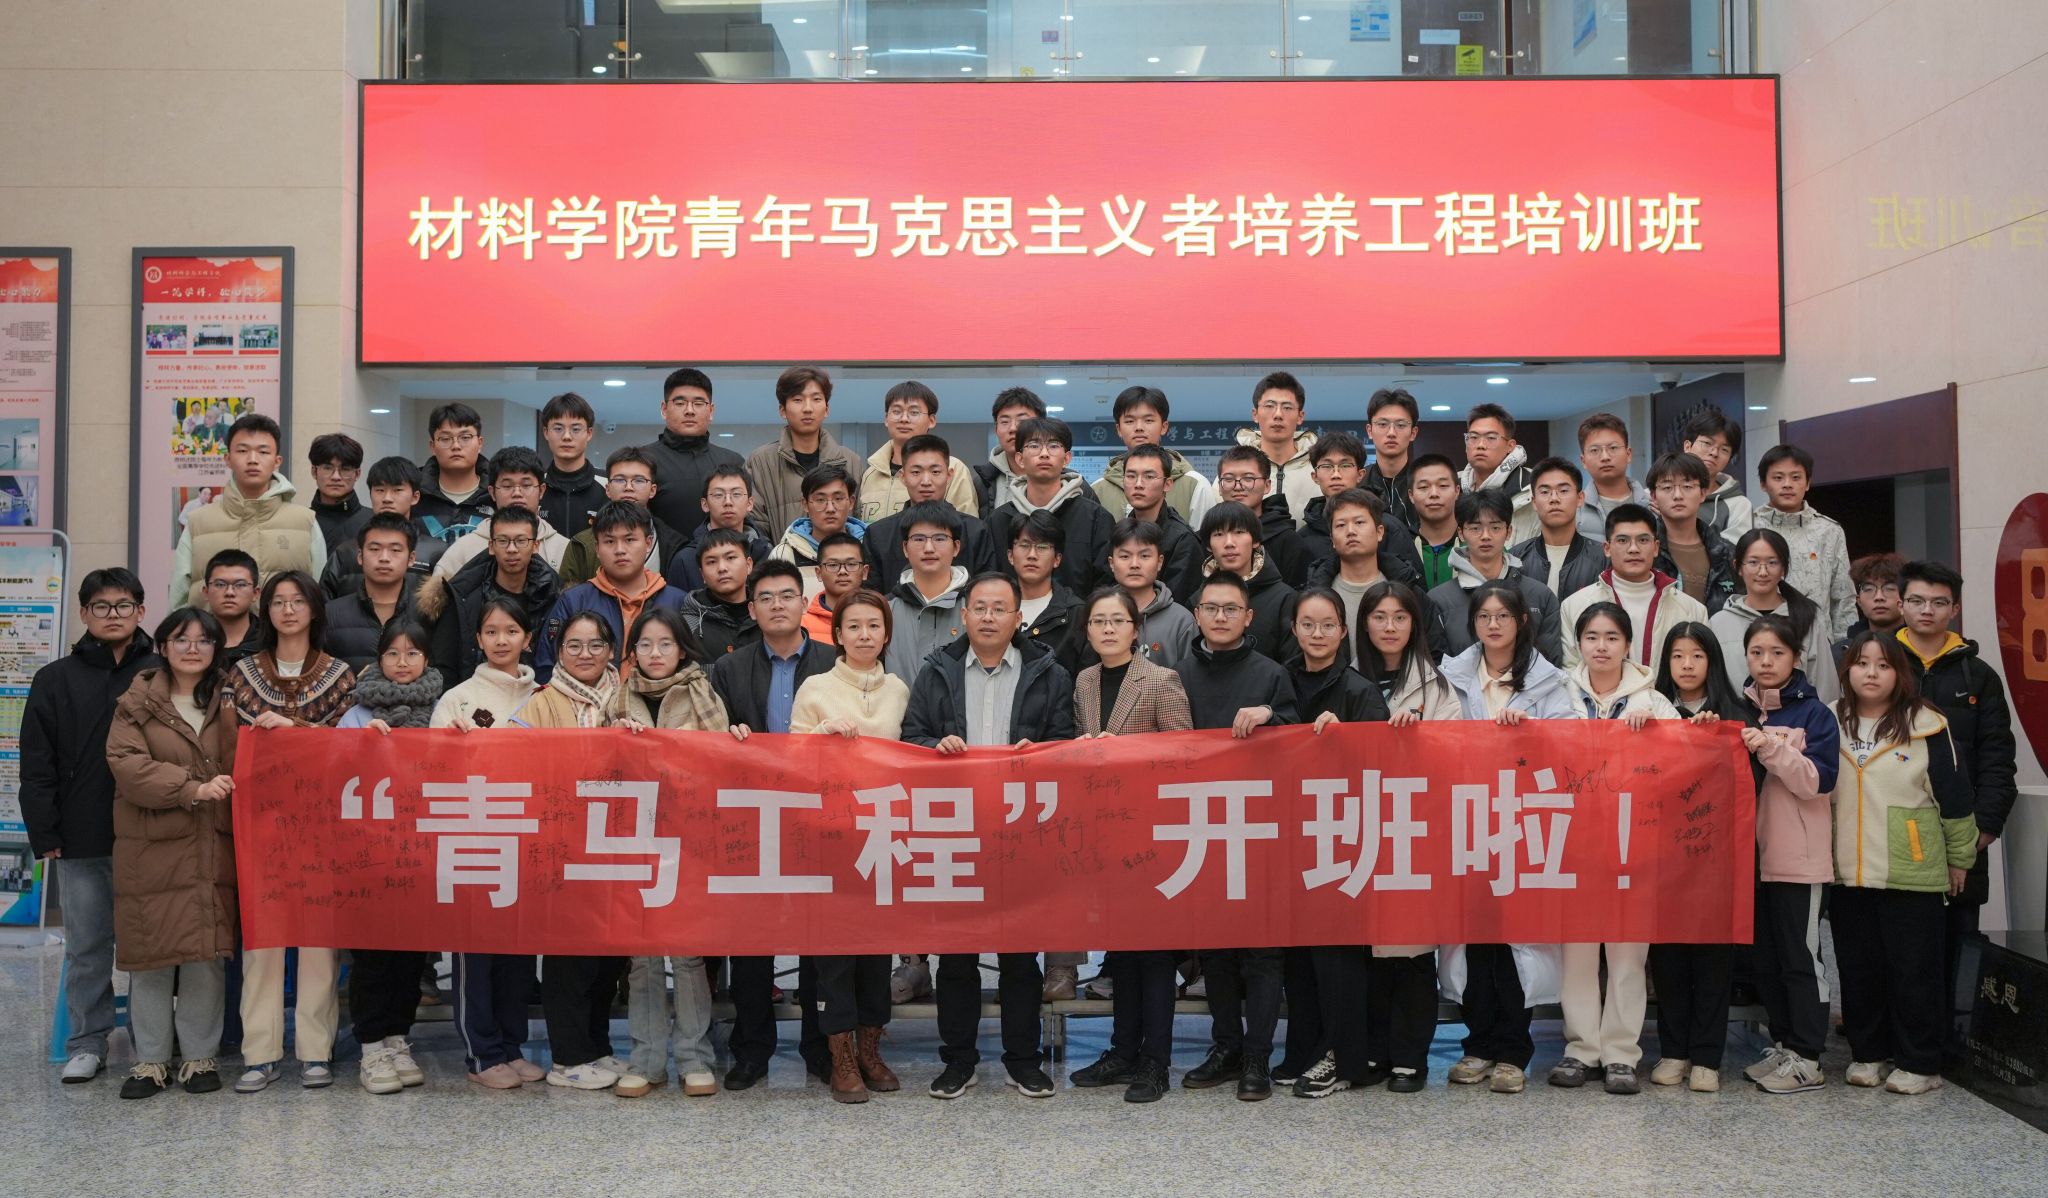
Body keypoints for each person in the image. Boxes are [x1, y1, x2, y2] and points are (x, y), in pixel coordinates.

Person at [901, 572, 1075, 1101]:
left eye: (1000, 608)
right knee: (956, 956)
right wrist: (936, 746)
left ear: (1018, 618)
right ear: (964, 616)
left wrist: (1039, 754)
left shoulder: (1049, 673)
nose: (989, 617)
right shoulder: (937, 671)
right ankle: (959, 1061)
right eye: (979, 607)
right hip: (956, 828)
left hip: (1021, 830)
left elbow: (1066, 742)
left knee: (1020, 956)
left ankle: (1023, 1061)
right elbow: (911, 738)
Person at [1439, 581, 1578, 1095]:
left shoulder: (1549, 681)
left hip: (1525, 825)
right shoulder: (1451, 676)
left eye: (1503, 615)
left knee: (1517, 940)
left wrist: (1532, 732)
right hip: (1467, 821)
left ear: (1522, 621)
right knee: (1475, 939)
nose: (1493, 624)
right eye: (1484, 616)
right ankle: (1477, 1044)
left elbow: (1572, 747)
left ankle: (1515, 1050)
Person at [22, 567, 160, 1084]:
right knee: (87, 947)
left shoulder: (161, 671)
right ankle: (88, 1041)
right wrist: (45, 832)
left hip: (152, 833)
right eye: (101, 606)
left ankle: (152, 1041)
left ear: (140, 611)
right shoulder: (54, 678)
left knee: (151, 945)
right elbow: (37, 762)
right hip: (81, 834)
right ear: (84, 613)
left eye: (123, 605)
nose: (113, 615)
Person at [1831, 630, 1978, 1096]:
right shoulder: (1830, 720)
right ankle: (1868, 1054)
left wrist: (1960, 859)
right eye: (1862, 663)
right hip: (1848, 870)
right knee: (1859, 969)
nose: (1871, 673)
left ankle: (1920, 1062)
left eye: (1883, 665)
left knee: (1914, 971)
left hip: (1911, 869)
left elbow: (1955, 800)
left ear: (1900, 673)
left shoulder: (1926, 724)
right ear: (1848, 671)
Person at [226, 571, 356, 1093]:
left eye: (297, 600)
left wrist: (296, 731)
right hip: (261, 823)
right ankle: (259, 1053)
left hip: (323, 824)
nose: (287, 610)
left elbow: (350, 748)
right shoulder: (241, 674)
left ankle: (315, 1050)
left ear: (314, 609)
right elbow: (230, 743)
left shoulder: (341, 675)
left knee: (319, 941)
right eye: (278, 601)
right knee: (262, 941)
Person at [709, 560, 837, 1088]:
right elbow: (709, 741)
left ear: (803, 602)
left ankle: (820, 1046)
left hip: (819, 817)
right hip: (751, 816)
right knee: (752, 938)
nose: (777, 605)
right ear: (752, 608)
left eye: (787, 595)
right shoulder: (728, 668)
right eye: (766, 597)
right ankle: (752, 1048)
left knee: (817, 936)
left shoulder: (833, 661)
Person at [1173, 571, 1300, 1100]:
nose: (1220, 617)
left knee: (1263, 952)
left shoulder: (1272, 674)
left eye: (1231, 609)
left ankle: (1257, 1057)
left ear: (1249, 617)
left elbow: (1300, 739)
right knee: (1217, 950)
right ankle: (1225, 1047)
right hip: (1200, 828)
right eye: (1211, 608)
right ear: (1196, 615)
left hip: (1262, 829)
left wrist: (1271, 714)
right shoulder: (1176, 675)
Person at [1066, 587, 1193, 1104]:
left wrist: (1125, 752)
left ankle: (1155, 1062)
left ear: (1136, 629)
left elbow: (1185, 752)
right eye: (1099, 621)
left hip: (1154, 831)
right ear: (1088, 630)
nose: (1108, 629)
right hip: (1105, 832)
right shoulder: (1084, 681)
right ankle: (1122, 1051)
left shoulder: (1161, 679)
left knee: (1155, 954)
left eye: (1118, 620)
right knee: (1121, 951)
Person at [103, 606, 236, 1099]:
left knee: (205, 954)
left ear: (216, 649)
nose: (192, 649)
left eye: (204, 640)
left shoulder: (230, 700)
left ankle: (200, 1057)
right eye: (181, 639)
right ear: (162, 646)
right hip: (151, 849)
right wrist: (191, 788)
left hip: (211, 843)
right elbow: (126, 764)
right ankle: (150, 1062)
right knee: (151, 955)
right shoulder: (136, 701)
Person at [787, 590, 912, 1103]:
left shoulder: (900, 690)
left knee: (877, 955)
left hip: (883, 835)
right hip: (829, 839)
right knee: (834, 956)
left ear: (886, 634)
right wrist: (820, 735)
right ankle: (839, 1055)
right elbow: (790, 760)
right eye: (854, 626)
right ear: (837, 634)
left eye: (874, 626)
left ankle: (870, 1050)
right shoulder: (815, 687)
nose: (864, 635)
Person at [1549, 602, 1678, 1096]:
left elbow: (1682, 766)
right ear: (1578, 643)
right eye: (1592, 637)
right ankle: (1581, 1049)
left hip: (1634, 843)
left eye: (1611, 638)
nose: (1601, 647)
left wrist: (1659, 736)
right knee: (1578, 952)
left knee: (1627, 954)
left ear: (1628, 645)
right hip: (1574, 841)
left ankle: (1622, 1053)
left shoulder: (1654, 701)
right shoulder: (1557, 692)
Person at [1895, 559, 2017, 1054]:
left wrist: (1983, 828)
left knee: (1957, 943)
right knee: (1900, 946)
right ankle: (1902, 1045)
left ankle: (1953, 1049)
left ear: (1955, 608)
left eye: (1939, 602)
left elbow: (1997, 757)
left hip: (1961, 832)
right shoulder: (1880, 664)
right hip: (1895, 831)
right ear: (1901, 604)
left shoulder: (1979, 675)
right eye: (1917, 600)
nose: (1927, 610)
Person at [605, 608, 728, 1100]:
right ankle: (646, 1059)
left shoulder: (703, 692)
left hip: (690, 838)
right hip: (634, 839)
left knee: (688, 954)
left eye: (665, 644)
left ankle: (695, 1058)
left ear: (682, 649)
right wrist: (618, 741)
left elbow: (721, 760)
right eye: (645, 645)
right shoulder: (618, 698)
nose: (655, 654)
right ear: (632, 653)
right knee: (642, 956)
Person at [430, 598, 545, 1089]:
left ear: (527, 639)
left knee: (518, 952)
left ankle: (511, 1046)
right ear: (477, 639)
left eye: (511, 631)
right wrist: (449, 743)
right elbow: (431, 770)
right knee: (475, 953)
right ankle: (481, 1054)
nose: (501, 640)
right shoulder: (457, 698)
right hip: (473, 840)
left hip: (527, 840)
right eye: (492, 631)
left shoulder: (544, 696)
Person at [512, 610, 628, 1091]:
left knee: (610, 957)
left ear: (610, 650)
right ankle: (568, 1057)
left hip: (619, 844)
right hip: (563, 846)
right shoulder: (541, 703)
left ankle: (598, 1045)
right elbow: (516, 766)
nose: (585, 654)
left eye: (595, 644)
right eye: (573, 646)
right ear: (558, 652)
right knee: (569, 958)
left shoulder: (627, 696)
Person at [1283, 589, 1391, 1099]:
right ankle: (1306, 1048)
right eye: (1308, 624)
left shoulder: (1359, 690)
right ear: (1294, 629)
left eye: (1328, 625)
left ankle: (1342, 1056)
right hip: (1289, 834)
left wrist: (1346, 737)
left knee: (1338, 955)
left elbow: (1383, 764)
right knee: (1299, 955)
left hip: (1343, 839)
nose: (1318, 634)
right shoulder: (1279, 679)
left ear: (1344, 631)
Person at [1349, 579, 1453, 1093]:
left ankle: (1411, 1057)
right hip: (1353, 830)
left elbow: (1456, 760)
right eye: (1379, 617)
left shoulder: (1438, 687)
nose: (1389, 627)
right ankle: (1372, 1052)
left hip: (1414, 830)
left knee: (1411, 953)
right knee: (1365, 954)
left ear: (1415, 625)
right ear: (1364, 624)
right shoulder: (1345, 678)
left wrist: (1418, 742)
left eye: (1400, 618)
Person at [335, 618, 443, 1095]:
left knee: (410, 953)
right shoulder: (356, 713)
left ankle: (399, 1038)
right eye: (393, 654)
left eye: (413, 653)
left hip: (420, 851)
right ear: (378, 659)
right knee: (372, 954)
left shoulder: (443, 708)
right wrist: (360, 747)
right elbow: (332, 773)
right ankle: (371, 1045)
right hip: (369, 853)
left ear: (427, 659)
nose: (403, 663)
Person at [1736, 614, 1842, 1096]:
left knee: (1802, 959)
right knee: (1766, 961)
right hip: (1751, 862)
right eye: (1757, 652)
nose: (1766, 661)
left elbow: (1819, 781)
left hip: (1798, 860)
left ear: (1796, 658)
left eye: (1777, 653)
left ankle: (1809, 1057)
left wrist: (1770, 748)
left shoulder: (1816, 715)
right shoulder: (1740, 710)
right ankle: (1784, 1045)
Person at [1648, 622, 1752, 1092]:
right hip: (1662, 858)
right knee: (1668, 959)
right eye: (1677, 656)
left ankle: (1708, 1056)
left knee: (1713, 959)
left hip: (1717, 860)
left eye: (1696, 655)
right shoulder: (1651, 711)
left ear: (1712, 661)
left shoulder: (1736, 714)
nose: (1687, 665)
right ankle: (1674, 1051)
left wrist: (1717, 742)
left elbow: (1752, 786)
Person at [169, 413, 326, 607]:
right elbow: (179, 603)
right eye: (242, 451)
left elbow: (319, 598)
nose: (252, 459)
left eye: (263, 452)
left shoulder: (304, 522)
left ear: (277, 461)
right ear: (228, 459)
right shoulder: (198, 523)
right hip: (212, 628)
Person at [537, 501, 688, 682]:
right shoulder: (574, 601)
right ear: (597, 549)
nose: (620, 550)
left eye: (629, 540)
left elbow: (691, 665)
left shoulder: (677, 601)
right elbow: (547, 666)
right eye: (609, 541)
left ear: (648, 543)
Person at [417, 506, 562, 686]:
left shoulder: (552, 596)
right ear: (491, 546)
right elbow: (445, 665)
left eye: (521, 541)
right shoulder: (464, 596)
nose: (511, 549)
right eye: (502, 541)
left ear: (535, 546)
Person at [1559, 503, 1710, 671]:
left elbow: (1700, 671)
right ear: (1607, 548)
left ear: (1656, 547)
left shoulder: (1692, 610)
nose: (1633, 549)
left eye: (1643, 540)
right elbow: (1571, 672)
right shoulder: (1575, 606)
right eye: (1622, 540)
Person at [1427, 488, 1564, 665]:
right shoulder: (1438, 601)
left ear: (1509, 532)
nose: (1485, 536)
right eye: (1475, 528)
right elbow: (1436, 667)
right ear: (1461, 533)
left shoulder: (1540, 596)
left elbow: (1551, 665)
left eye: (1495, 527)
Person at [984, 416, 1112, 595]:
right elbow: (989, 581)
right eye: (1034, 445)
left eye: (1053, 445)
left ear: (1067, 458)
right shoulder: (998, 520)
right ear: (1020, 458)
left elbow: (1106, 584)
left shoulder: (1095, 518)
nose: (1044, 453)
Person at [1711, 528, 1838, 703]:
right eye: (1753, 562)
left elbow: (1825, 686)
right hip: (1735, 719)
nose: (1763, 572)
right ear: (1738, 567)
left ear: (1783, 568)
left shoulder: (1807, 617)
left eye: (1772, 563)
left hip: (1798, 720)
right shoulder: (1718, 624)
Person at [862, 435, 1001, 589]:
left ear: (949, 476)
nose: (926, 481)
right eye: (916, 472)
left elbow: (988, 590)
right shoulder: (878, 535)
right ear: (903, 477)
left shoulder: (976, 531)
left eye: (935, 472)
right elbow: (872, 597)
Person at [1751, 444, 1856, 644]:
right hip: (1760, 642)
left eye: (1796, 477)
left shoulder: (1829, 531)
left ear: (1808, 483)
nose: (1787, 484)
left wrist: (1844, 648)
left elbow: (1843, 597)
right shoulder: (1748, 526)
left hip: (1818, 643)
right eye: (1778, 477)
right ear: (1763, 484)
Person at [748, 365, 865, 534]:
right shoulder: (761, 461)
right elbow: (756, 525)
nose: (808, 408)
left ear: (827, 409)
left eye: (816, 399)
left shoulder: (850, 461)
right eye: (798, 400)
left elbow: (858, 523)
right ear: (782, 410)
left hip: (839, 552)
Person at [640, 367, 753, 541]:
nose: (689, 410)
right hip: (662, 557)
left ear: (711, 411)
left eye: (699, 403)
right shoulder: (644, 461)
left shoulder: (732, 461)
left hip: (724, 556)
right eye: (680, 403)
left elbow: (746, 522)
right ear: (664, 409)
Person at [558, 447, 689, 589]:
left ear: (652, 490)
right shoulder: (582, 544)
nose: (629, 487)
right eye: (620, 480)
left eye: (639, 480)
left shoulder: (675, 544)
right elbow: (569, 597)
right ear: (607, 489)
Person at [433, 446, 571, 580]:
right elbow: (437, 592)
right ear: (492, 492)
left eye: (526, 485)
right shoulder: (464, 549)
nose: (517, 493)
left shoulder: (564, 549)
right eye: (507, 486)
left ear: (541, 490)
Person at [319, 456, 448, 595]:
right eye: (380, 490)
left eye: (397, 490)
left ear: (415, 497)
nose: (387, 499)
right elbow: (325, 602)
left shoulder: (436, 552)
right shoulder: (346, 552)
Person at [1090, 386, 1217, 525]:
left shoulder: (1194, 484)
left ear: (1164, 427)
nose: (1139, 427)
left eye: (1148, 420)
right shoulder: (1098, 489)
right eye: (1129, 421)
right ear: (1119, 429)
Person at [858, 380, 980, 521]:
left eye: (914, 412)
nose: (904, 419)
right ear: (886, 419)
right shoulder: (870, 473)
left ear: (931, 420)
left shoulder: (952, 468)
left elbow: (966, 525)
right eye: (896, 411)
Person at [1098, 442, 1204, 603]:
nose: (1138, 484)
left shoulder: (1182, 540)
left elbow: (1179, 603)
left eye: (1149, 476)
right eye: (1131, 476)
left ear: (1167, 484)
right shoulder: (1119, 533)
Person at [1196, 502, 1300, 664]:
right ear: (1208, 545)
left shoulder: (1285, 599)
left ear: (1255, 540)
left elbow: (1293, 664)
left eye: (1239, 532)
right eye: (1219, 534)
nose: (1229, 543)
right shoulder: (1198, 599)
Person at [322, 513, 421, 674]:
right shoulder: (330, 614)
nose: (384, 558)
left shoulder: (427, 612)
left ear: (411, 558)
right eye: (375, 549)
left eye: (395, 550)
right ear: (360, 556)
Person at [883, 502, 971, 680]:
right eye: (919, 539)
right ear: (905, 548)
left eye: (939, 538)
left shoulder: (975, 606)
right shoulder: (885, 608)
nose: (929, 548)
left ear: (956, 547)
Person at [1646, 451, 1739, 612]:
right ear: (1654, 496)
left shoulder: (1727, 553)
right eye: (1667, 487)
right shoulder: (1643, 550)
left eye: (1687, 486)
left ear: (1702, 494)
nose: (1677, 495)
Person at [1214, 445, 1315, 587]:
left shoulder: (1289, 542)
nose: (1238, 486)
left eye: (1248, 478)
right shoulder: (1207, 538)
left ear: (1267, 485)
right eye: (1229, 479)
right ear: (1219, 486)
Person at [1103, 517, 1196, 668]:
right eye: (1125, 556)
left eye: (1144, 556)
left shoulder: (1181, 621)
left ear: (1159, 562)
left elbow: (1190, 677)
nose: (1134, 564)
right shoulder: (1099, 615)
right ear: (1112, 563)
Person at [667, 463, 772, 591]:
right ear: (705, 504)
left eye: (736, 494)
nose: (728, 502)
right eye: (718, 495)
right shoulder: (685, 560)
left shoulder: (767, 554)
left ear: (750, 504)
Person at [1512, 458, 1605, 599]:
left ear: (1580, 498)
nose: (1554, 498)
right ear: (1534, 502)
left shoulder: (1603, 558)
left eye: (1563, 491)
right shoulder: (1515, 558)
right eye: (1545, 492)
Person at [1234, 370, 1318, 525]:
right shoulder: (1233, 469)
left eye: (1287, 407)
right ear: (1255, 414)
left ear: (1300, 416)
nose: (1278, 414)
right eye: (1269, 406)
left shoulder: (1318, 469)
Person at [1009, 509, 1084, 677]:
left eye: (1042, 547)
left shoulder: (1075, 614)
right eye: (1024, 545)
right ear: (1010, 555)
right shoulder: (992, 608)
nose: (1032, 555)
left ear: (1057, 559)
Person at [768, 463, 866, 588]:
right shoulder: (784, 555)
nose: (830, 508)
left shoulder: (869, 547)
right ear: (805, 504)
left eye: (838, 499)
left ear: (851, 502)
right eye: (820, 500)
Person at [1456, 403, 1538, 543]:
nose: (1480, 445)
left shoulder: (1533, 486)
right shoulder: (1452, 486)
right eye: (1473, 437)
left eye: (1491, 438)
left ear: (1510, 446)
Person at [414, 401, 493, 546]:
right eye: (445, 439)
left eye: (465, 437)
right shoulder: (414, 492)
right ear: (432, 446)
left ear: (480, 443)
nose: (456, 446)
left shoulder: (498, 492)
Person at [681, 528, 761, 661]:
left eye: (730, 558)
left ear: (748, 565)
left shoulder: (767, 614)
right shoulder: (688, 626)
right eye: (712, 562)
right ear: (702, 574)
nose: (722, 568)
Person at [537, 391, 607, 536]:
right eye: (558, 429)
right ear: (546, 433)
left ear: (589, 433)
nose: (567, 436)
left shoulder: (608, 484)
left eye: (575, 429)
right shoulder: (534, 485)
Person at [1680, 406, 1753, 542]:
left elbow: (1733, 551)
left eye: (1724, 450)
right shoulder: (1656, 495)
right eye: (1707, 443)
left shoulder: (1739, 505)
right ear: (1687, 446)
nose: (1714, 453)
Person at [1574, 414, 1649, 542]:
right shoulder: (1573, 511)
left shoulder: (1654, 506)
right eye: (1595, 450)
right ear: (1583, 461)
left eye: (1613, 448)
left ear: (1628, 454)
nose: (1605, 457)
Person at [970, 386, 1045, 515]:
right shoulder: (980, 484)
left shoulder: (1069, 483)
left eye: (1022, 421)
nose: (1013, 428)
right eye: (1004, 422)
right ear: (996, 429)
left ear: (1042, 426)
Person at [1362, 387, 1422, 531]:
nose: (1391, 433)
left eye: (1400, 425)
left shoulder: (1425, 481)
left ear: (1413, 433)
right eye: (1383, 424)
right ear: (1369, 430)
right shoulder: (1358, 482)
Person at [1406, 453, 1463, 590]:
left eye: (1443, 485)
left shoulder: (1475, 543)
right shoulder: (1402, 547)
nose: (1434, 494)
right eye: (1423, 487)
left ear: (1457, 491)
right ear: (1411, 495)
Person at [305, 431, 369, 550]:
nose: (336, 477)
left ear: (357, 474)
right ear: (314, 471)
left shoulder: (373, 522)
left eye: (345, 469)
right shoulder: (301, 522)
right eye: (327, 468)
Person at [804, 531, 869, 644]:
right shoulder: (802, 626)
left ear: (864, 572)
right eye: (833, 565)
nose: (842, 571)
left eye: (851, 564)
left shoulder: (881, 618)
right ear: (819, 573)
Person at [200, 550, 262, 667]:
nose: (229, 592)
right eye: (220, 584)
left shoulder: (272, 642)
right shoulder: (190, 643)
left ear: (255, 593)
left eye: (240, 585)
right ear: (206, 592)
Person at [1839, 552, 1906, 655]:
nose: (1879, 597)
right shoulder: (1843, 652)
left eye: (1889, 588)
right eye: (1869, 589)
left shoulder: (1920, 647)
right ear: (1859, 601)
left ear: (1906, 597)